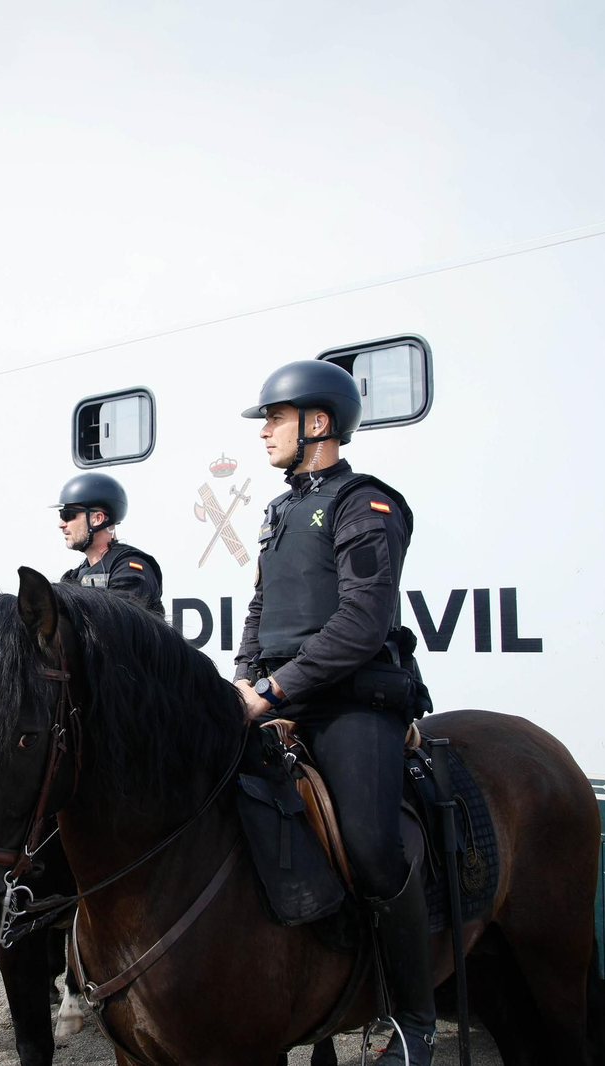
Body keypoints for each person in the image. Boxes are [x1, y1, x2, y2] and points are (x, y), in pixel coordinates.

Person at [231, 359, 430, 1066]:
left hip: (351, 702)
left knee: (374, 851)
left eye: (275, 419)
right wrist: (242, 680)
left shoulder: (364, 502)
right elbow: (260, 611)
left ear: (317, 423)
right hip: (277, 697)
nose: (265, 433)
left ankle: (413, 1016)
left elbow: (361, 623)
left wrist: (274, 691)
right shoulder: (279, 510)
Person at [53, 472, 163, 615]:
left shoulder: (130, 570)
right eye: (61, 515)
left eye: (68, 515)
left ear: (98, 519)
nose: (61, 524)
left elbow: (119, 626)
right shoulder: (74, 576)